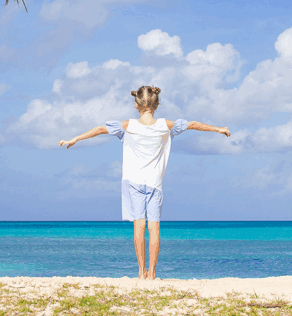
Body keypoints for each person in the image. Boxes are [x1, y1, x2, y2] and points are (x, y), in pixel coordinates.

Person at [58, 85, 231, 279]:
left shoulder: (128, 125)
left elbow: (99, 129)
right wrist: (218, 129)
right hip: (154, 184)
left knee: (139, 227)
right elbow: (193, 124)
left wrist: (74, 139)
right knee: (154, 228)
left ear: (136, 105)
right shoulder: (165, 125)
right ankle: (153, 274)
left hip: (133, 182)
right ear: (157, 104)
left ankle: (141, 272)